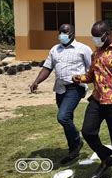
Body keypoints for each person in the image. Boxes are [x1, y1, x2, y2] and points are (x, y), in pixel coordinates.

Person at [73, 21, 112, 178]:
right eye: (92, 36)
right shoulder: (96, 53)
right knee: (88, 131)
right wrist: (78, 78)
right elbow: (91, 76)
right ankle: (107, 157)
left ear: (107, 34)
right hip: (97, 100)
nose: (94, 39)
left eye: (97, 36)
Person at [30, 24, 92, 164]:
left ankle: (77, 139)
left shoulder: (83, 49)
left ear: (72, 34)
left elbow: (92, 69)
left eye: (65, 32)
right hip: (60, 88)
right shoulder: (55, 49)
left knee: (62, 117)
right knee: (67, 118)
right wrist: (36, 81)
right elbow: (47, 68)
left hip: (75, 87)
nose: (62, 34)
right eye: (60, 32)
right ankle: (74, 149)